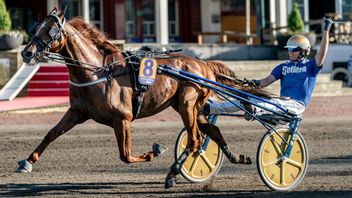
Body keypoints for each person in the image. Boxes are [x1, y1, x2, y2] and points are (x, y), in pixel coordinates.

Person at [206, 18, 334, 117]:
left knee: (273, 102)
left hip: (296, 105)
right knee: (247, 99)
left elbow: (322, 52)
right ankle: (213, 108)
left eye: (293, 49)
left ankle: (255, 109)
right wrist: (252, 83)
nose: (290, 52)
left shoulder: (311, 66)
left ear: (304, 51)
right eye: (289, 49)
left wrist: (326, 30)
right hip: (281, 102)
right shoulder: (283, 66)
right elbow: (265, 82)